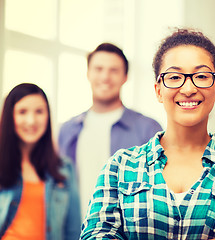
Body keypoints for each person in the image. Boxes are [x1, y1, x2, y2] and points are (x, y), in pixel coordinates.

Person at [80, 28, 215, 240]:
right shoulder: (119, 167)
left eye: (201, 76)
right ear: (158, 90)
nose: (189, 88)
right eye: (174, 77)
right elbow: (96, 235)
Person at [58, 43, 162, 218]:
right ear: (88, 73)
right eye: (98, 69)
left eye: (114, 70)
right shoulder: (68, 130)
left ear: (125, 77)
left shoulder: (148, 128)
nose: (105, 77)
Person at [0, 83, 81, 239]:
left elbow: (73, 231)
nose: (31, 121)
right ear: (10, 116)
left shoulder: (64, 168)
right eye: (22, 112)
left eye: (39, 112)